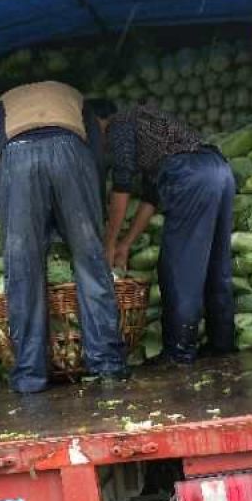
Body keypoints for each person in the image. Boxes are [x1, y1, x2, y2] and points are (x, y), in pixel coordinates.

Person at [0, 81, 127, 394]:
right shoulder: (75, 95)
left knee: (23, 272)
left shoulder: (1, 104)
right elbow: (97, 157)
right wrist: (93, 209)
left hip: (17, 159)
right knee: (90, 261)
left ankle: (30, 377)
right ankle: (108, 365)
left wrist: (2, 212)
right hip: (71, 153)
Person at [96, 100, 236, 365]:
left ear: (96, 123)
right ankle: (222, 343)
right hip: (219, 169)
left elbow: (122, 184)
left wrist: (109, 244)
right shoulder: (149, 131)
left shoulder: (118, 125)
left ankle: (179, 352)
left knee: (179, 269)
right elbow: (151, 198)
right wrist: (126, 243)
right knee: (217, 265)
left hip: (191, 176)